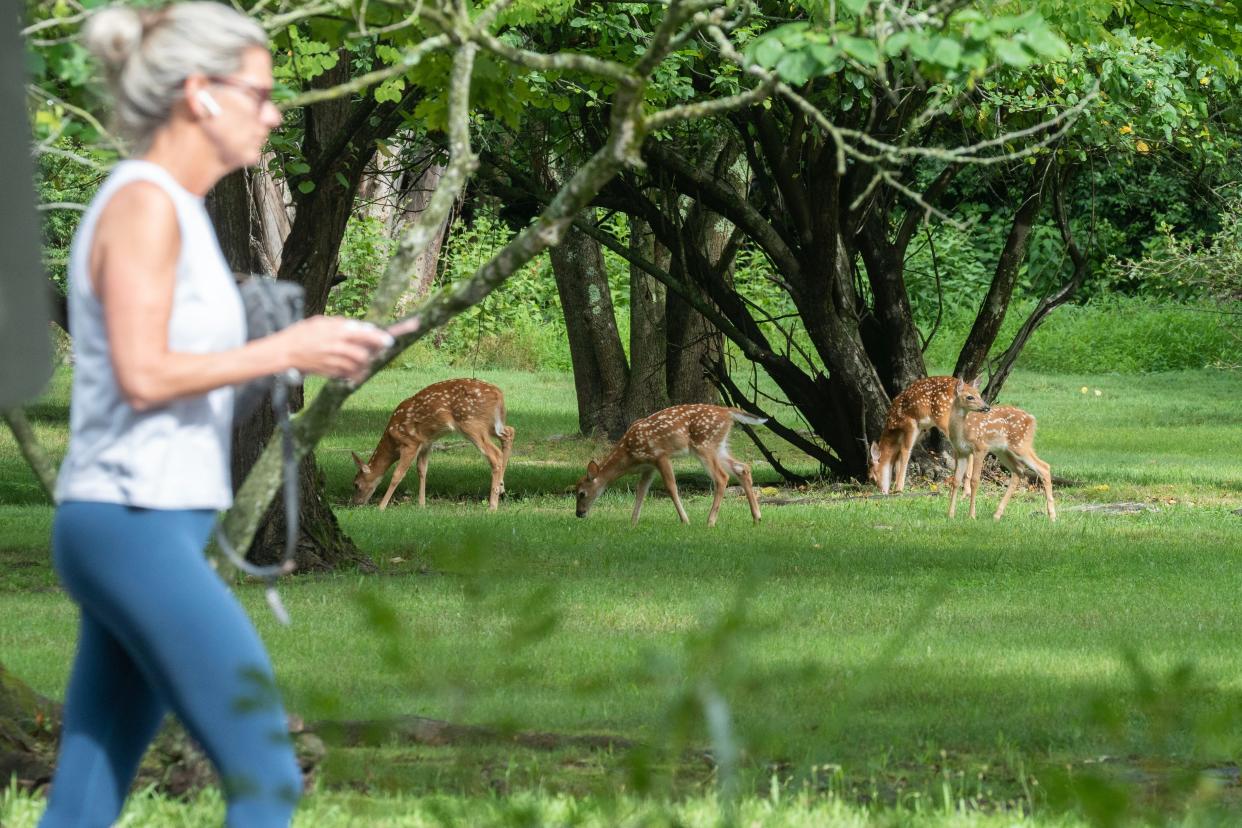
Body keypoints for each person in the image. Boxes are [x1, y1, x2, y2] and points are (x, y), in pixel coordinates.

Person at [41, 4, 393, 826]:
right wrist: (286, 349)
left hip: (146, 524)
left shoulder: (174, 209)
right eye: (261, 93)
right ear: (200, 93)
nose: (274, 112)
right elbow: (140, 373)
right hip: (130, 522)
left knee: (87, 793)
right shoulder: (144, 204)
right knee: (266, 774)